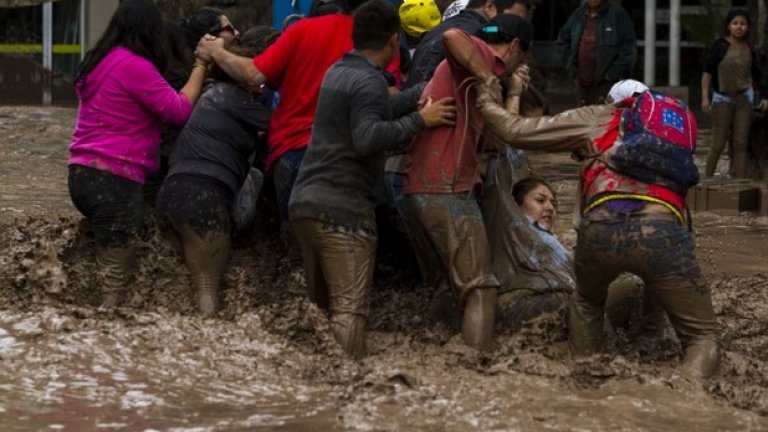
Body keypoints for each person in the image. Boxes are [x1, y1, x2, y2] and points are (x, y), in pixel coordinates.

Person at [474, 76, 721, 378]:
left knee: (587, 303)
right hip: (662, 230)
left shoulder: (600, 116)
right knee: (702, 336)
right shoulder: (673, 141)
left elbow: (516, 130)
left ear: (612, 102)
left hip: (600, 229)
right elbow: (684, 228)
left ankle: (584, 379)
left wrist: (485, 99)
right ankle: (676, 387)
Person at [289, 0, 455, 358]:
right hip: (342, 211)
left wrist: (419, 95)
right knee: (350, 311)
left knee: (321, 311)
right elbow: (366, 136)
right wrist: (421, 121)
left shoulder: (338, 71)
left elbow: (375, 108)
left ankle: (309, 385)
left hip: (305, 203)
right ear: (394, 40)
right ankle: (345, 385)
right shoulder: (369, 81)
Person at [195, 0, 377, 261]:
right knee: (348, 246)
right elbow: (387, 96)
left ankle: (295, 277)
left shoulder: (301, 31)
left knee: (298, 248)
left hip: (293, 151)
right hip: (347, 154)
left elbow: (253, 74)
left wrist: (215, 52)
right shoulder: (373, 39)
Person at [403, 14, 532, 350]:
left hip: (424, 185)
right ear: (516, 48)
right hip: (445, 187)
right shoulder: (482, 57)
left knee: (450, 286)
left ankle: (431, 356)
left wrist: (511, 92)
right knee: (481, 288)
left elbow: (501, 140)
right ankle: (474, 365)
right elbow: (451, 36)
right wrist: (489, 77)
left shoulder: (472, 73)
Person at [68, 0, 207, 307]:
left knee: (112, 251)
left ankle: (80, 313)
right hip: (114, 178)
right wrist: (201, 66)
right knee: (116, 272)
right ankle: (105, 321)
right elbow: (178, 110)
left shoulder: (97, 61)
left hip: (81, 173)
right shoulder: (134, 65)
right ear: (149, 31)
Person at [156, 27, 278, 316]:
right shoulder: (239, 100)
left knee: (182, 288)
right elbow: (286, 124)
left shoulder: (211, 92)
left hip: (170, 195)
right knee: (207, 289)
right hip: (203, 200)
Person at [701, 8, 768, 179]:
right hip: (722, 99)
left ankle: (740, 182)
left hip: (744, 100)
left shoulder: (749, 48)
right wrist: (705, 98)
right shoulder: (720, 46)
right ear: (729, 26)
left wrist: (764, 96)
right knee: (718, 143)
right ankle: (707, 180)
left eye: (743, 24)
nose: (739, 27)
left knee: (741, 143)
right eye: (735, 23)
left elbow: (758, 75)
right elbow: (707, 73)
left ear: (747, 27)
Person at [404, 0, 521, 89]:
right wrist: (490, 79)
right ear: (489, 6)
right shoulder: (473, 34)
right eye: (510, 20)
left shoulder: (444, 26)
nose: (512, 31)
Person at [557, 0, 636, 106]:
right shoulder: (579, 13)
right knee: (583, 115)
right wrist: (571, 65)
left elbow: (629, 49)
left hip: (607, 84)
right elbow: (562, 41)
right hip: (582, 83)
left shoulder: (617, 13)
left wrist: (612, 74)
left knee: (604, 115)